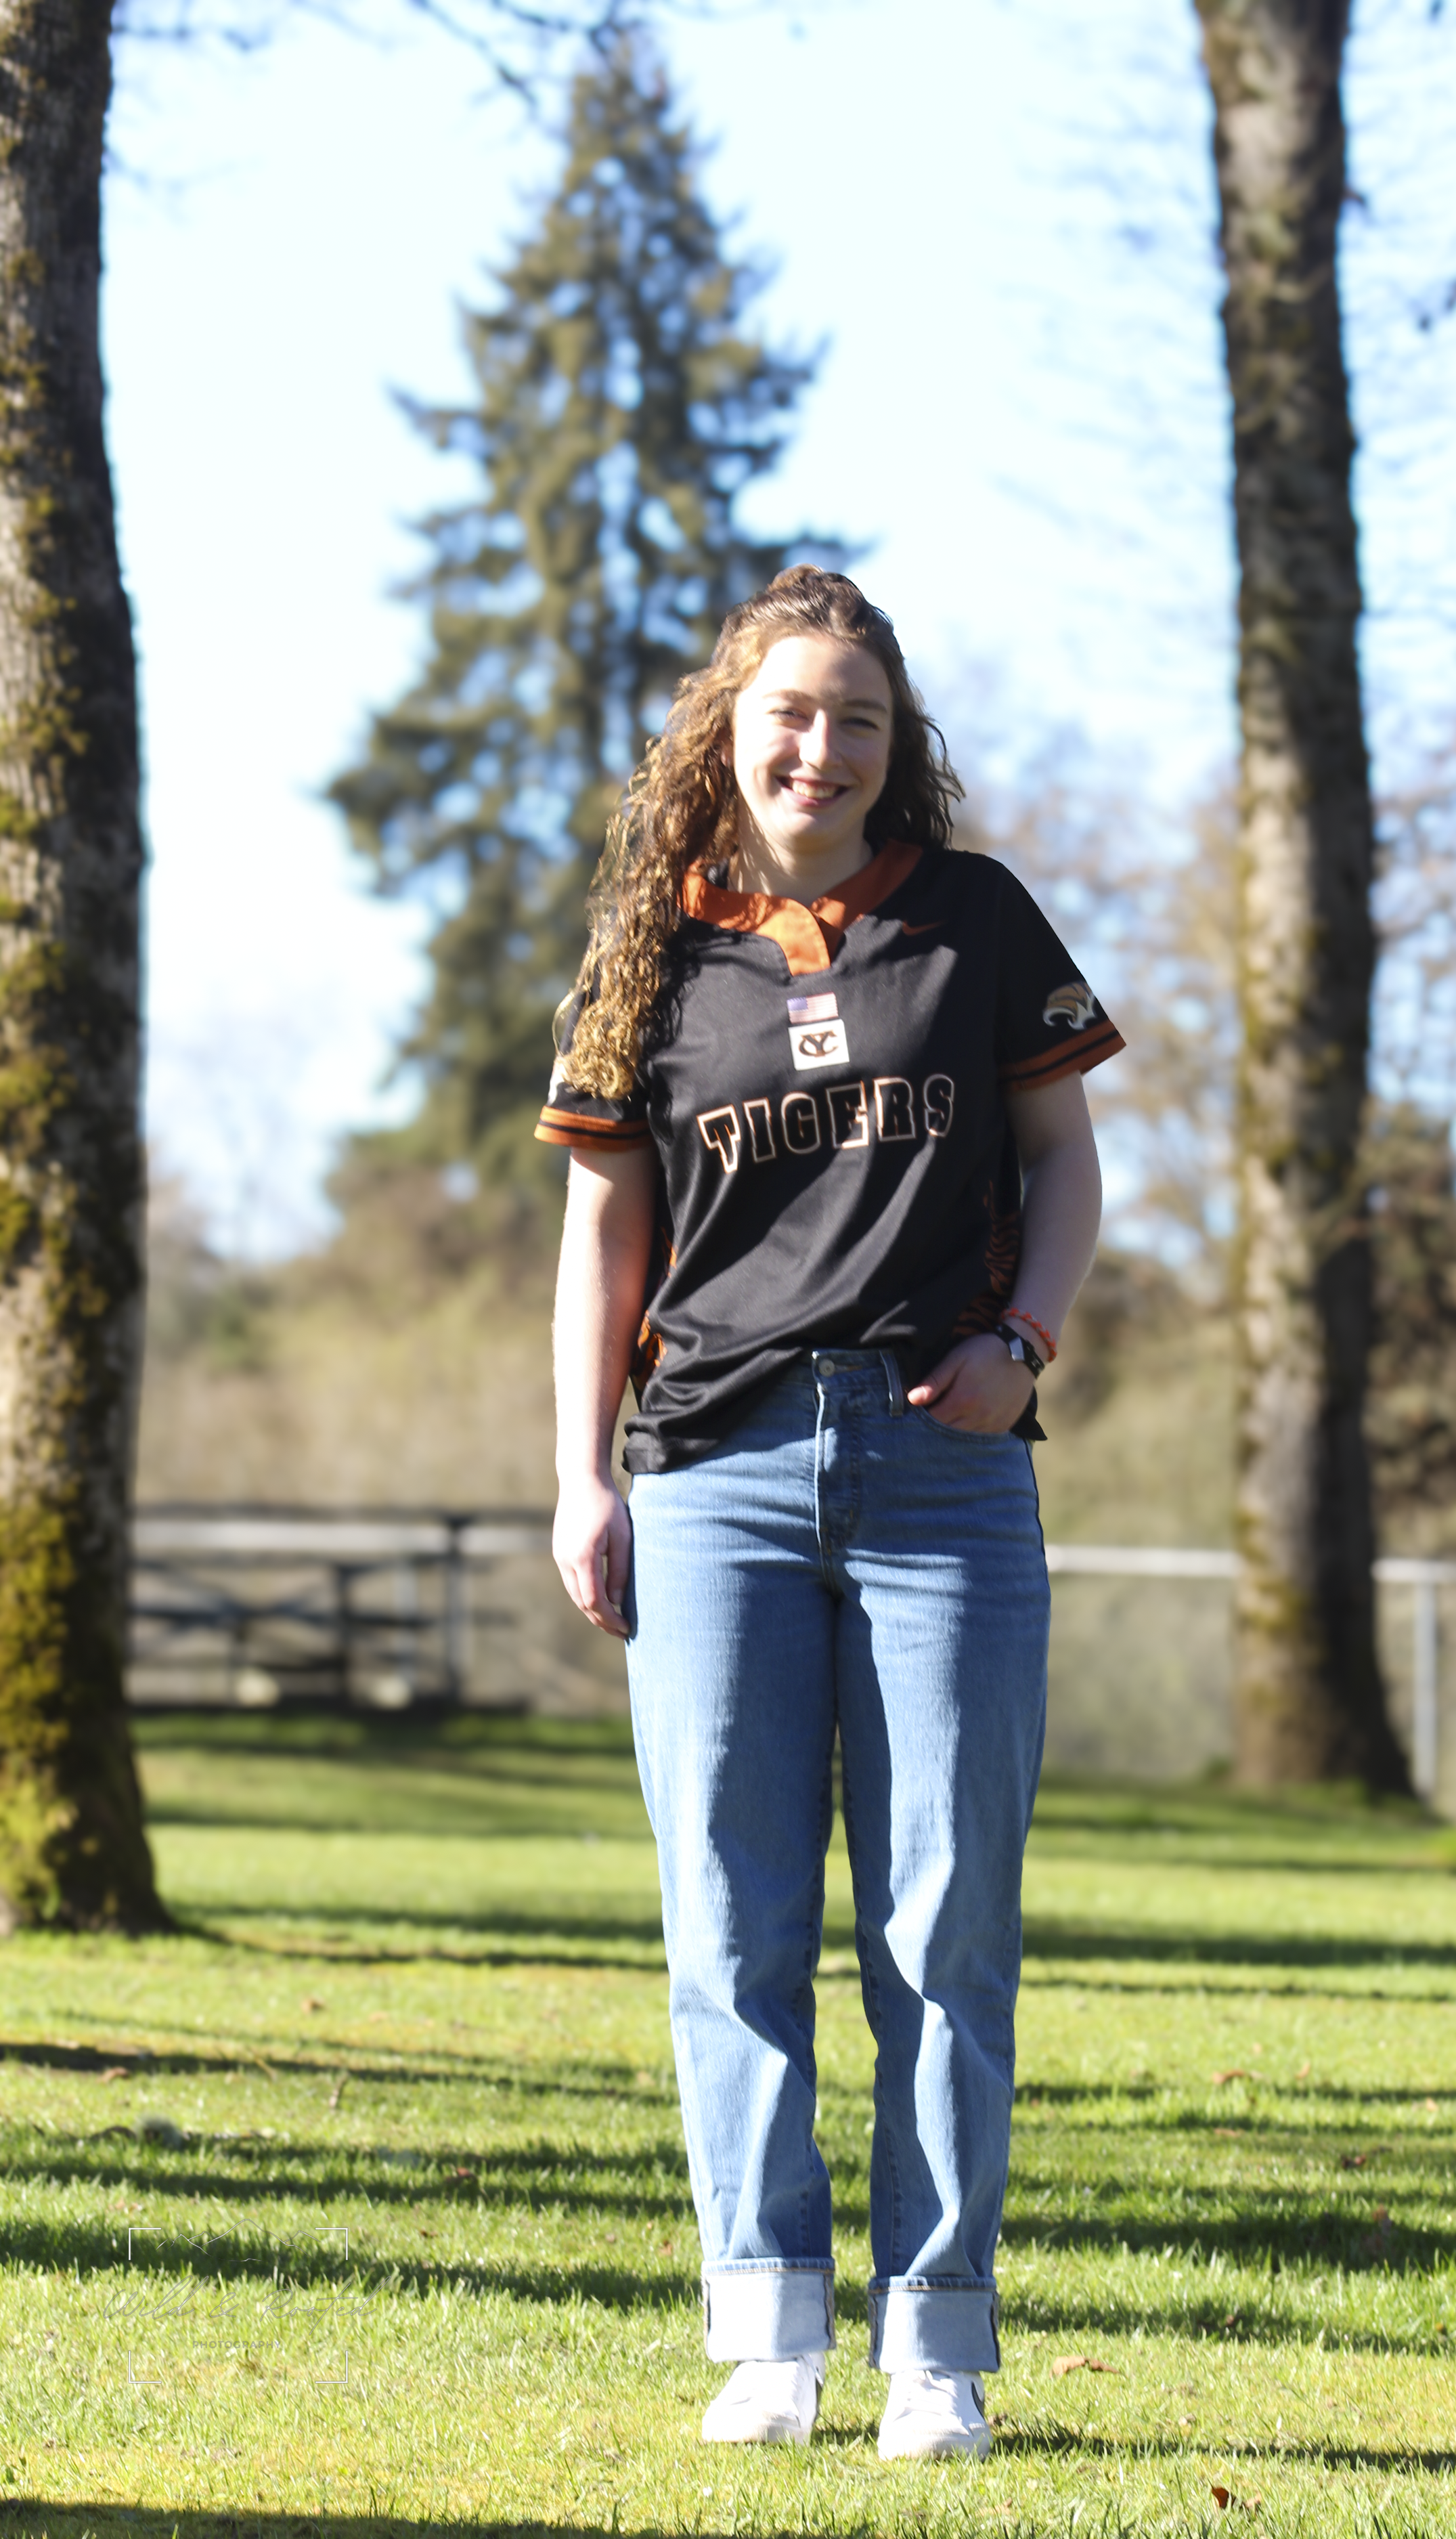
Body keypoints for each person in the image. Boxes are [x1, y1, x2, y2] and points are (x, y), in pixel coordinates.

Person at [543, 567, 1120, 2460]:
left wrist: (1025, 1341)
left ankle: (935, 2346)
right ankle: (766, 2333)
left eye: (857, 717)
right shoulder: (646, 954)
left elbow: (1064, 1161)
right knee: (731, 1918)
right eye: (790, 711)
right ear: (728, 729)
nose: (822, 746)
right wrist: (582, 1473)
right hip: (709, 1473)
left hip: (942, 1472)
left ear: (895, 744)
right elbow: (603, 1235)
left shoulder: (974, 919)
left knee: (943, 1923)